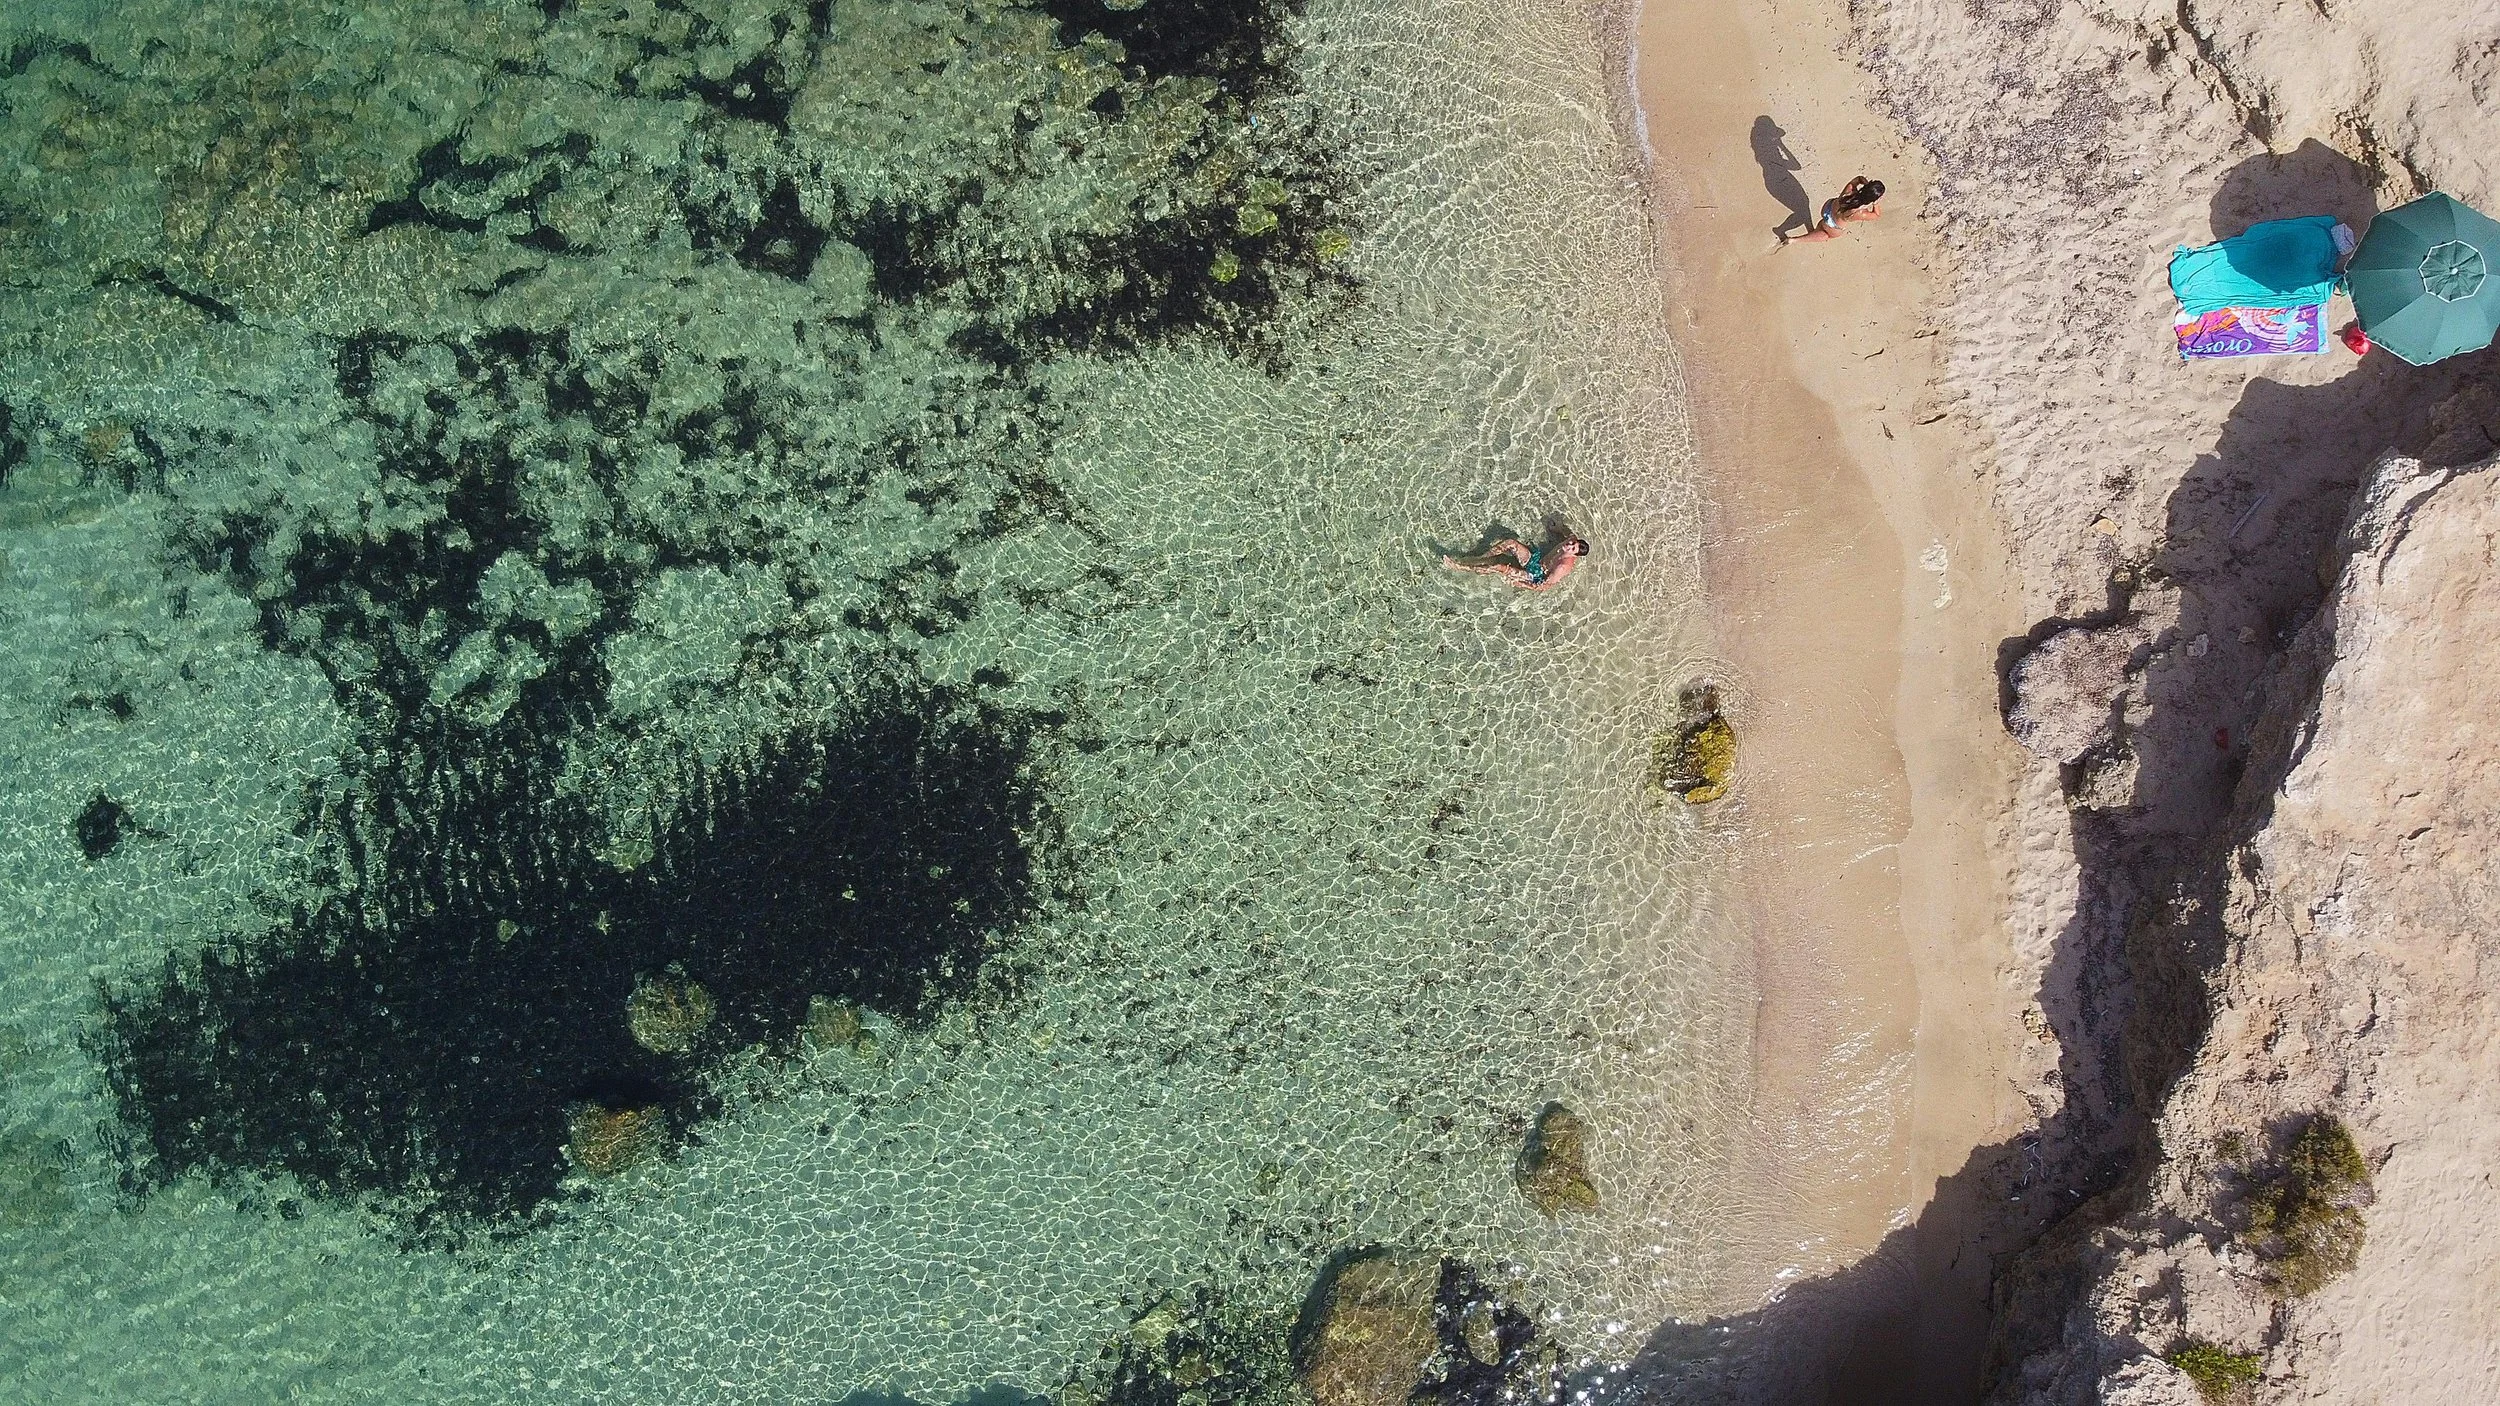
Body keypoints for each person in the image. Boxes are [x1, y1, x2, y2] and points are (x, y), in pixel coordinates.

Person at [1442, 536, 1589, 590]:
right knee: (1510, 543)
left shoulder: (1563, 566)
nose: (1569, 545)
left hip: (1535, 575)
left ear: (1574, 554)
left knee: (1498, 567)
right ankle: (1479, 557)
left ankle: (1460, 567)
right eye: (1572, 543)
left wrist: (1519, 583)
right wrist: (1555, 530)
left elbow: (1543, 586)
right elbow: (1565, 533)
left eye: (1573, 548)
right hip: (1536, 560)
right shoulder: (1569, 539)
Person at [1788, 176, 1883, 244]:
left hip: (1828, 208)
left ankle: (1814, 231)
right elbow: (1876, 215)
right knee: (1825, 235)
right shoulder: (1861, 213)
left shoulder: (1850, 190)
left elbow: (1858, 179)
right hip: (1834, 225)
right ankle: (1795, 240)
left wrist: (1866, 184)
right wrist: (1876, 203)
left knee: (1822, 223)